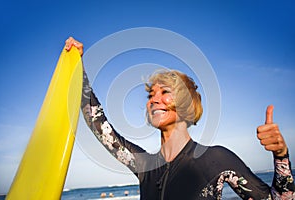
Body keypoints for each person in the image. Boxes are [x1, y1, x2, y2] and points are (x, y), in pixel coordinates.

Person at [65, 37, 295, 199]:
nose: (153, 100)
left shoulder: (215, 160)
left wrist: (281, 156)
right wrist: (76, 67)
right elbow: (98, 124)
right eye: (150, 95)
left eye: (165, 92)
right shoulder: (144, 165)